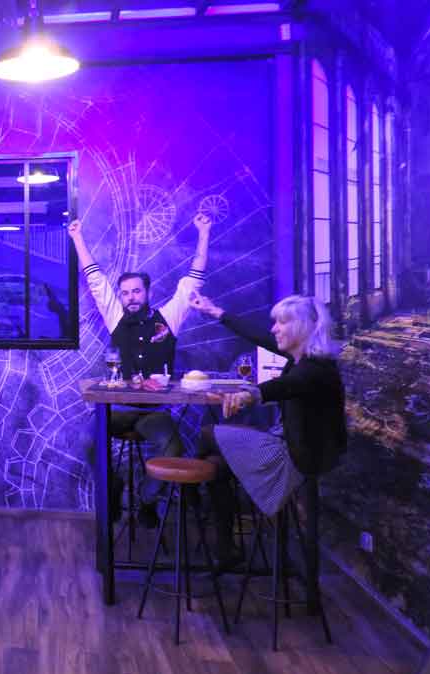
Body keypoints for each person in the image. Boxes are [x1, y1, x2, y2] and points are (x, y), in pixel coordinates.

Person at [67, 213, 212, 524]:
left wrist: (204, 232)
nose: (130, 298)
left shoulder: (168, 318)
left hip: (154, 413)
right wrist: (77, 236)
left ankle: (146, 499)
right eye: (125, 293)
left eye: (136, 291)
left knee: (172, 448)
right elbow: (95, 278)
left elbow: (193, 279)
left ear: (148, 293)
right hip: (118, 410)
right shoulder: (115, 317)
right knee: (88, 442)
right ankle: (114, 485)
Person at [188, 292, 347, 566]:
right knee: (215, 466)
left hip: (295, 459)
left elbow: (287, 385)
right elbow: (258, 336)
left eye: (281, 323)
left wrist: (250, 394)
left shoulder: (315, 369)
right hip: (289, 447)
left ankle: (190, 498)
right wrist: (215, 311)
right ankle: (226, 550)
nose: (274, 329)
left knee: (207, 434)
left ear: (303, 327)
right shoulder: (301, 358)